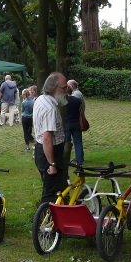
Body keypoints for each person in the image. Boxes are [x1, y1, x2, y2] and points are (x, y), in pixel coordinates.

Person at [33, 73, 68, 205]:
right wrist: (52, 164)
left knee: (51, 189)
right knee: (51, 194)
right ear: (54, 89)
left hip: (41, 149)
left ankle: (50, 215)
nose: (66, 91)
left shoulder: (40, 99)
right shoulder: (50, 109)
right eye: (63, 88)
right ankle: (47, 217)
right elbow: (47, 138)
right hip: (50, 152)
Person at [63, 80, 85, 165]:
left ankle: (66, 160)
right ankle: (80, 160)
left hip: (67, 123)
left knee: (66, 142)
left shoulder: (63, 101)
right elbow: (81, 110)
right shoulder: (77, 100)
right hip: (76, 122)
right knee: (78, 142)